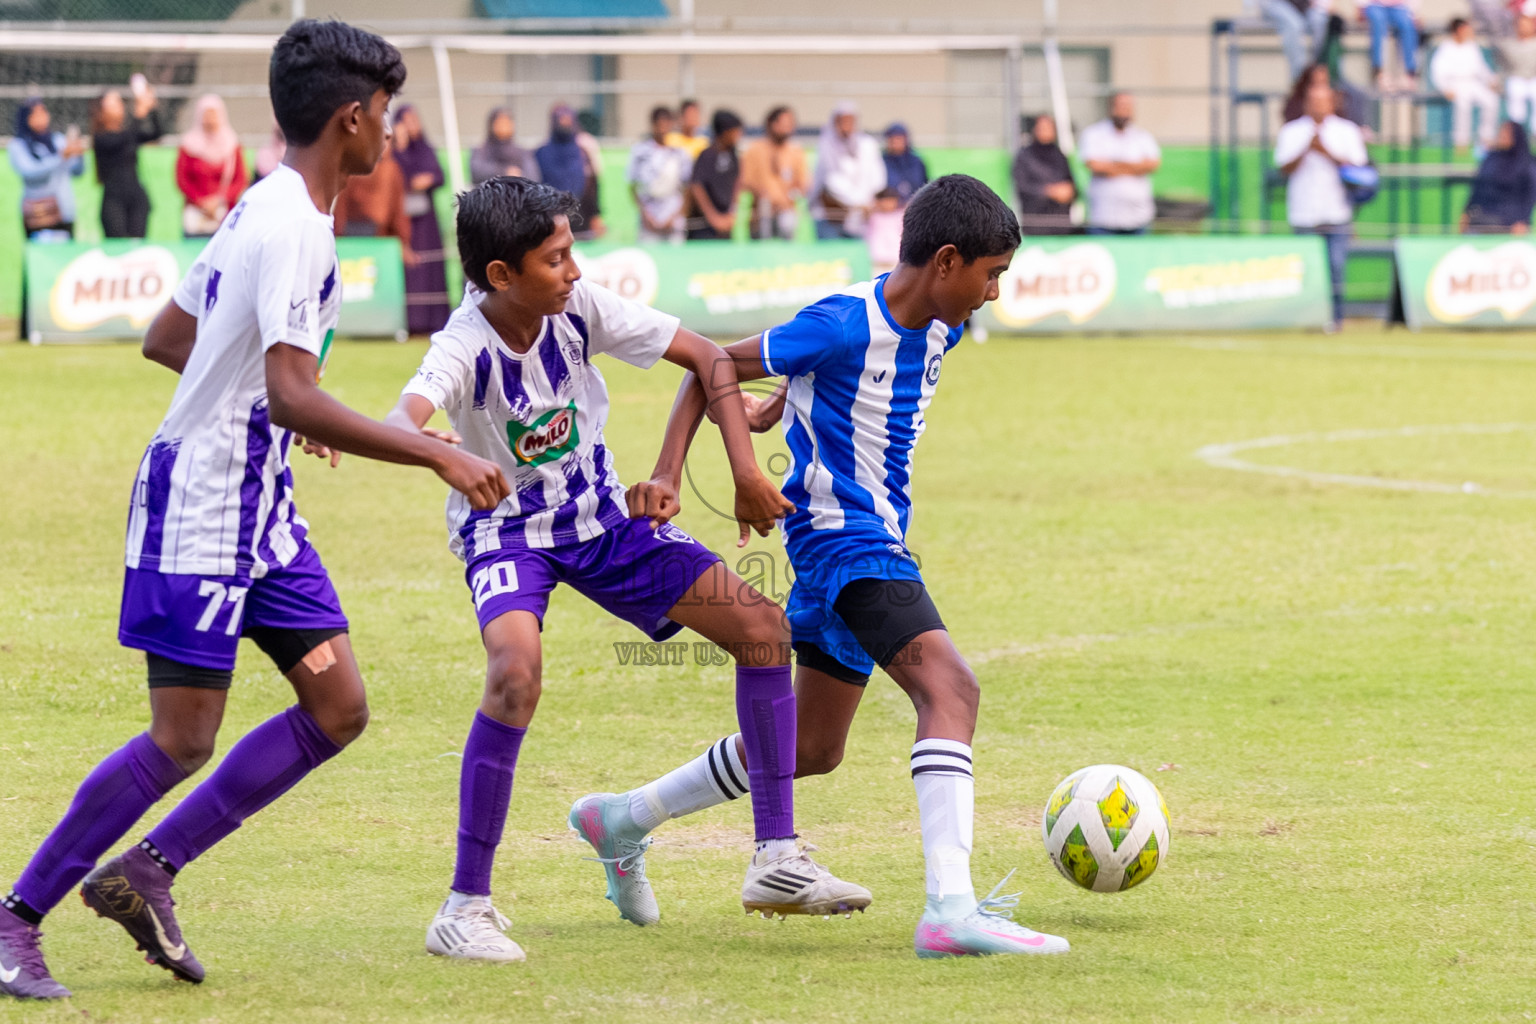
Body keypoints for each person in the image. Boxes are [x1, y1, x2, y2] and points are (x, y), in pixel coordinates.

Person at [0, 19, 509, 1002]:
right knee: (182, 736)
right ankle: (16, 916)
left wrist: (279, 408)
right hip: (202, 508)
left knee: (338, 705)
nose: (392, 129)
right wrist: (431, 449)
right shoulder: (291, 225)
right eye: (386, 112)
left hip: (260, 512)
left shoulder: (268, 204)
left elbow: (170, 337)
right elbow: (283, 388)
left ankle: (148, 871)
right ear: (351, 118)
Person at [576, 175, 1069, 959]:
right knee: (951, 689)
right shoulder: (841, 323)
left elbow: (835, 390)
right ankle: (950, 910)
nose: (994, 293)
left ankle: (623, 818)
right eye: (991, 274)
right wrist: (673, 473)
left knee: (809, 747)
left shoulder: (939, 326)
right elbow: (710, 366)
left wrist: (785, 403)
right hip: (846, 544)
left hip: (869, 541)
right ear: (947, 261)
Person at [383, 176, 868, 961]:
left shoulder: (580, 307)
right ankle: (464, 908)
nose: (573, 270)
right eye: (555, 258)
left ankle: (776, 856)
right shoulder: (463, 344)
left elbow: (707, 358)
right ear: (501, 275)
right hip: (507, 534)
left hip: (604, 523)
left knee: (762, 629)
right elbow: (402, 418)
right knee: (515, 674)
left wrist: (702, 471)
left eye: (571, 251)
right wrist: (441, 455)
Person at [1275, 80, 1369, 329]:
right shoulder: (1292, 132)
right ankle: (1308, 318)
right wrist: (1307, 147)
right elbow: (1283, 168)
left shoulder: (1347, 131)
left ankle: (1335, 319)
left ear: (1332, 103)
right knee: (1306, 271)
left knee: (1336, 267)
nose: (1318, 106)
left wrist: (1325, 151)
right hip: (1303, 211)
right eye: (1313, 101)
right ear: (1306, 104)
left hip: (1336, 211)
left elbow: (1359, 170)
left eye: (1323, 101)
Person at [392, 104, 450, 335]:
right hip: (404, 219)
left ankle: (434, 320)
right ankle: (413, 321)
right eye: (406, 121)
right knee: (411, 268)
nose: (411, 126)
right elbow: (397, 176)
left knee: (430, 266)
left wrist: (428, 179)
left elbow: (439, 175)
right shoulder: (393, 152)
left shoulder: (426, 149)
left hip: (427, 221)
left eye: (414, 120)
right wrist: (400, 147)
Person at [1079, 91, 1161, 235]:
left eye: (1128, 107)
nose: (1124, 111)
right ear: (1110, 107)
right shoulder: (1094, 134)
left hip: (1138, 218)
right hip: (1104, 218)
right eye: (1120, 106)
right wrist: (1135, 167)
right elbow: (1095, 165)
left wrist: (1112, 166)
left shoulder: (1143, 137)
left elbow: (1152, 165)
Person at [92, 82, 165, 239]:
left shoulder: (129, 134)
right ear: (102, 110)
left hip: (136, 197)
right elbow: (122, 140)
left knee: (138, 245)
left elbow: (157, 133)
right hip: (114, 200)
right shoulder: (101, 138)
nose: (120, 106)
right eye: (114, 103)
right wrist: (139, 113)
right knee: (118, 245)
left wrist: (152, 107)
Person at [8, 99, 86, 242]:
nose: (41, 117)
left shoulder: (58, 140)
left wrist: (79, 153)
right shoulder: (18, 145)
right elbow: (30, 171)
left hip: (64, 211)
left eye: (43, 112)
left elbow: (77, 172)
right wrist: (60, 157)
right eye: (35, 114)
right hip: (39, 214)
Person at [332, 145, 418, 269]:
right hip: (364, 241)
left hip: (371, 240)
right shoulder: (386, 169)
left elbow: (398, 212)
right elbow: (341, 208)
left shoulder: (387, 169)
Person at [810, 101, 886, 240]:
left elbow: (877, 178)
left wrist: (868, 202)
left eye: (850, 121)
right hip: (831, 217)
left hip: (862, 217)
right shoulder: (826, 145)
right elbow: (832, 181)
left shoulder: (867, 145)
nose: (846, 126)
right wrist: (858, 202)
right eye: (842, 121)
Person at [176, 93, 248, 239]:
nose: (209, 119)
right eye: (206, 114)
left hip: (224, 214)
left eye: (213, 114)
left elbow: (240, 179)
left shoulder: (232, 145)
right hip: (196, 215)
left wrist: (220, 200)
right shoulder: (189, 145)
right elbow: (182, 179)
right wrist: (200, 201)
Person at [1431, 17, 1501, 153]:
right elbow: (1437, 72)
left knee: (1491, 101)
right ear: (1457, 30)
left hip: (1473, 82)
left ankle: (1486, 139)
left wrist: (1491, 80)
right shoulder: (1445, 48)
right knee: (1463, 106)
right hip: (1455, 84)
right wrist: (1445, 88)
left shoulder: (1472, 46)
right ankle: (1461, 142)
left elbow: (1481, 67)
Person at [740, 105, 809, 240]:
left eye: (790, 124)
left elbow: (802, 183)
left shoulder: (795, 151)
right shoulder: (755, 149)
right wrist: (763, 195)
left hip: (787, 213)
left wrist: (788, 198)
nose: (788, 128)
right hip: (761, 214)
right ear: (772, 124)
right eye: (784, 124)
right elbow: (746, 181)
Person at [536, 104, 604, 240]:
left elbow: (593, 185)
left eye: (568, 121)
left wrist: (596, 215)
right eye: (561, 121)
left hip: (582, 219)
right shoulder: (541, 153)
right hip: (551, 221)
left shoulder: (582, 153)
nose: (564, 125)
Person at [627, 105, 691, 242]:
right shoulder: (640, 152)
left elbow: (687, 190)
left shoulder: (679, 154)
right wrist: (646, 215)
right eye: (659, 125)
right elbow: (633, 187)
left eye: (666, 124)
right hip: (649, 222)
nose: (663, 129)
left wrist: (675, 217)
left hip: (673, 221)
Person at [1462, 121, 1536, 232]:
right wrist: (1466, 212)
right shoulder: (1491, 158)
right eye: (1501, 132)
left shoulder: (1526, 163)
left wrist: (1523, 220)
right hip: (1481, 219)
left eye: (1507, 133)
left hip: (1509, 223)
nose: (1503, 136)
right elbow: (1477, 188)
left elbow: (1530, 194)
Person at [1012, 113, 1077, 235]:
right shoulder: (1025, 156)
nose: (1045, 131)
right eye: (1042, 128)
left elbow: (1072, 186)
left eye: (1049, 128)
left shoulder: (1060, 156)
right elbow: (1022, 187)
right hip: (1035, 224)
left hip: (1061, 225)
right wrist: (1050, 192)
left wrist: (1069, 192)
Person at [688, 109, 744, 240]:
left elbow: (737, 184)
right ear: (725, 132)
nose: (739, 135)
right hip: (704, 227)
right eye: (735, 131)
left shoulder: (733, 156)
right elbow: (696, 187)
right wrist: (713, 218)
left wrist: (731, 214)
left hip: (727, 224)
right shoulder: (707, 156)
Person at [1261, 0, 1333, 81]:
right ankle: (1299, 79)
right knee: (1294, 25)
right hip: (1277, 4)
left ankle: (1320, 72)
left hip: (1305, 6)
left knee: (1321, 21)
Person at [470, 107, 538, 186]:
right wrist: (504, 172)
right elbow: (477, 172)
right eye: (499, 123)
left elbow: (534, 176)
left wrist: (518, 175)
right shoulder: (481, 150)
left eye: (506, 123)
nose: (503, 126)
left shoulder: (521, 152)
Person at [1362, 0, 1420, 91]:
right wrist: (1360, 7)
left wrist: (1414, 13)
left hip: (1399, 7)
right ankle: (1380, 71)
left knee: (1408, 25)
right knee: (1378, 22)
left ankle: (1409, 73)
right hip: (1375, 5)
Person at [1499, 15, 1536, 133]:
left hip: (1534, 78)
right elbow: (1505, 66)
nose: (1524, 28)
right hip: (1517, 78)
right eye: (1521, 25)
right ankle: (1518, 133)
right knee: (1515, 91)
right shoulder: (1509, 44)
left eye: (1527, 25)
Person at [880, 123, 928, 208]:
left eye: (899, 138)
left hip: (915, 207)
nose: (896, 142)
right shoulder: (881, 161)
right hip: (889, 210)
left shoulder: (917, 162)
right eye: (892, 139)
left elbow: (925, 185)